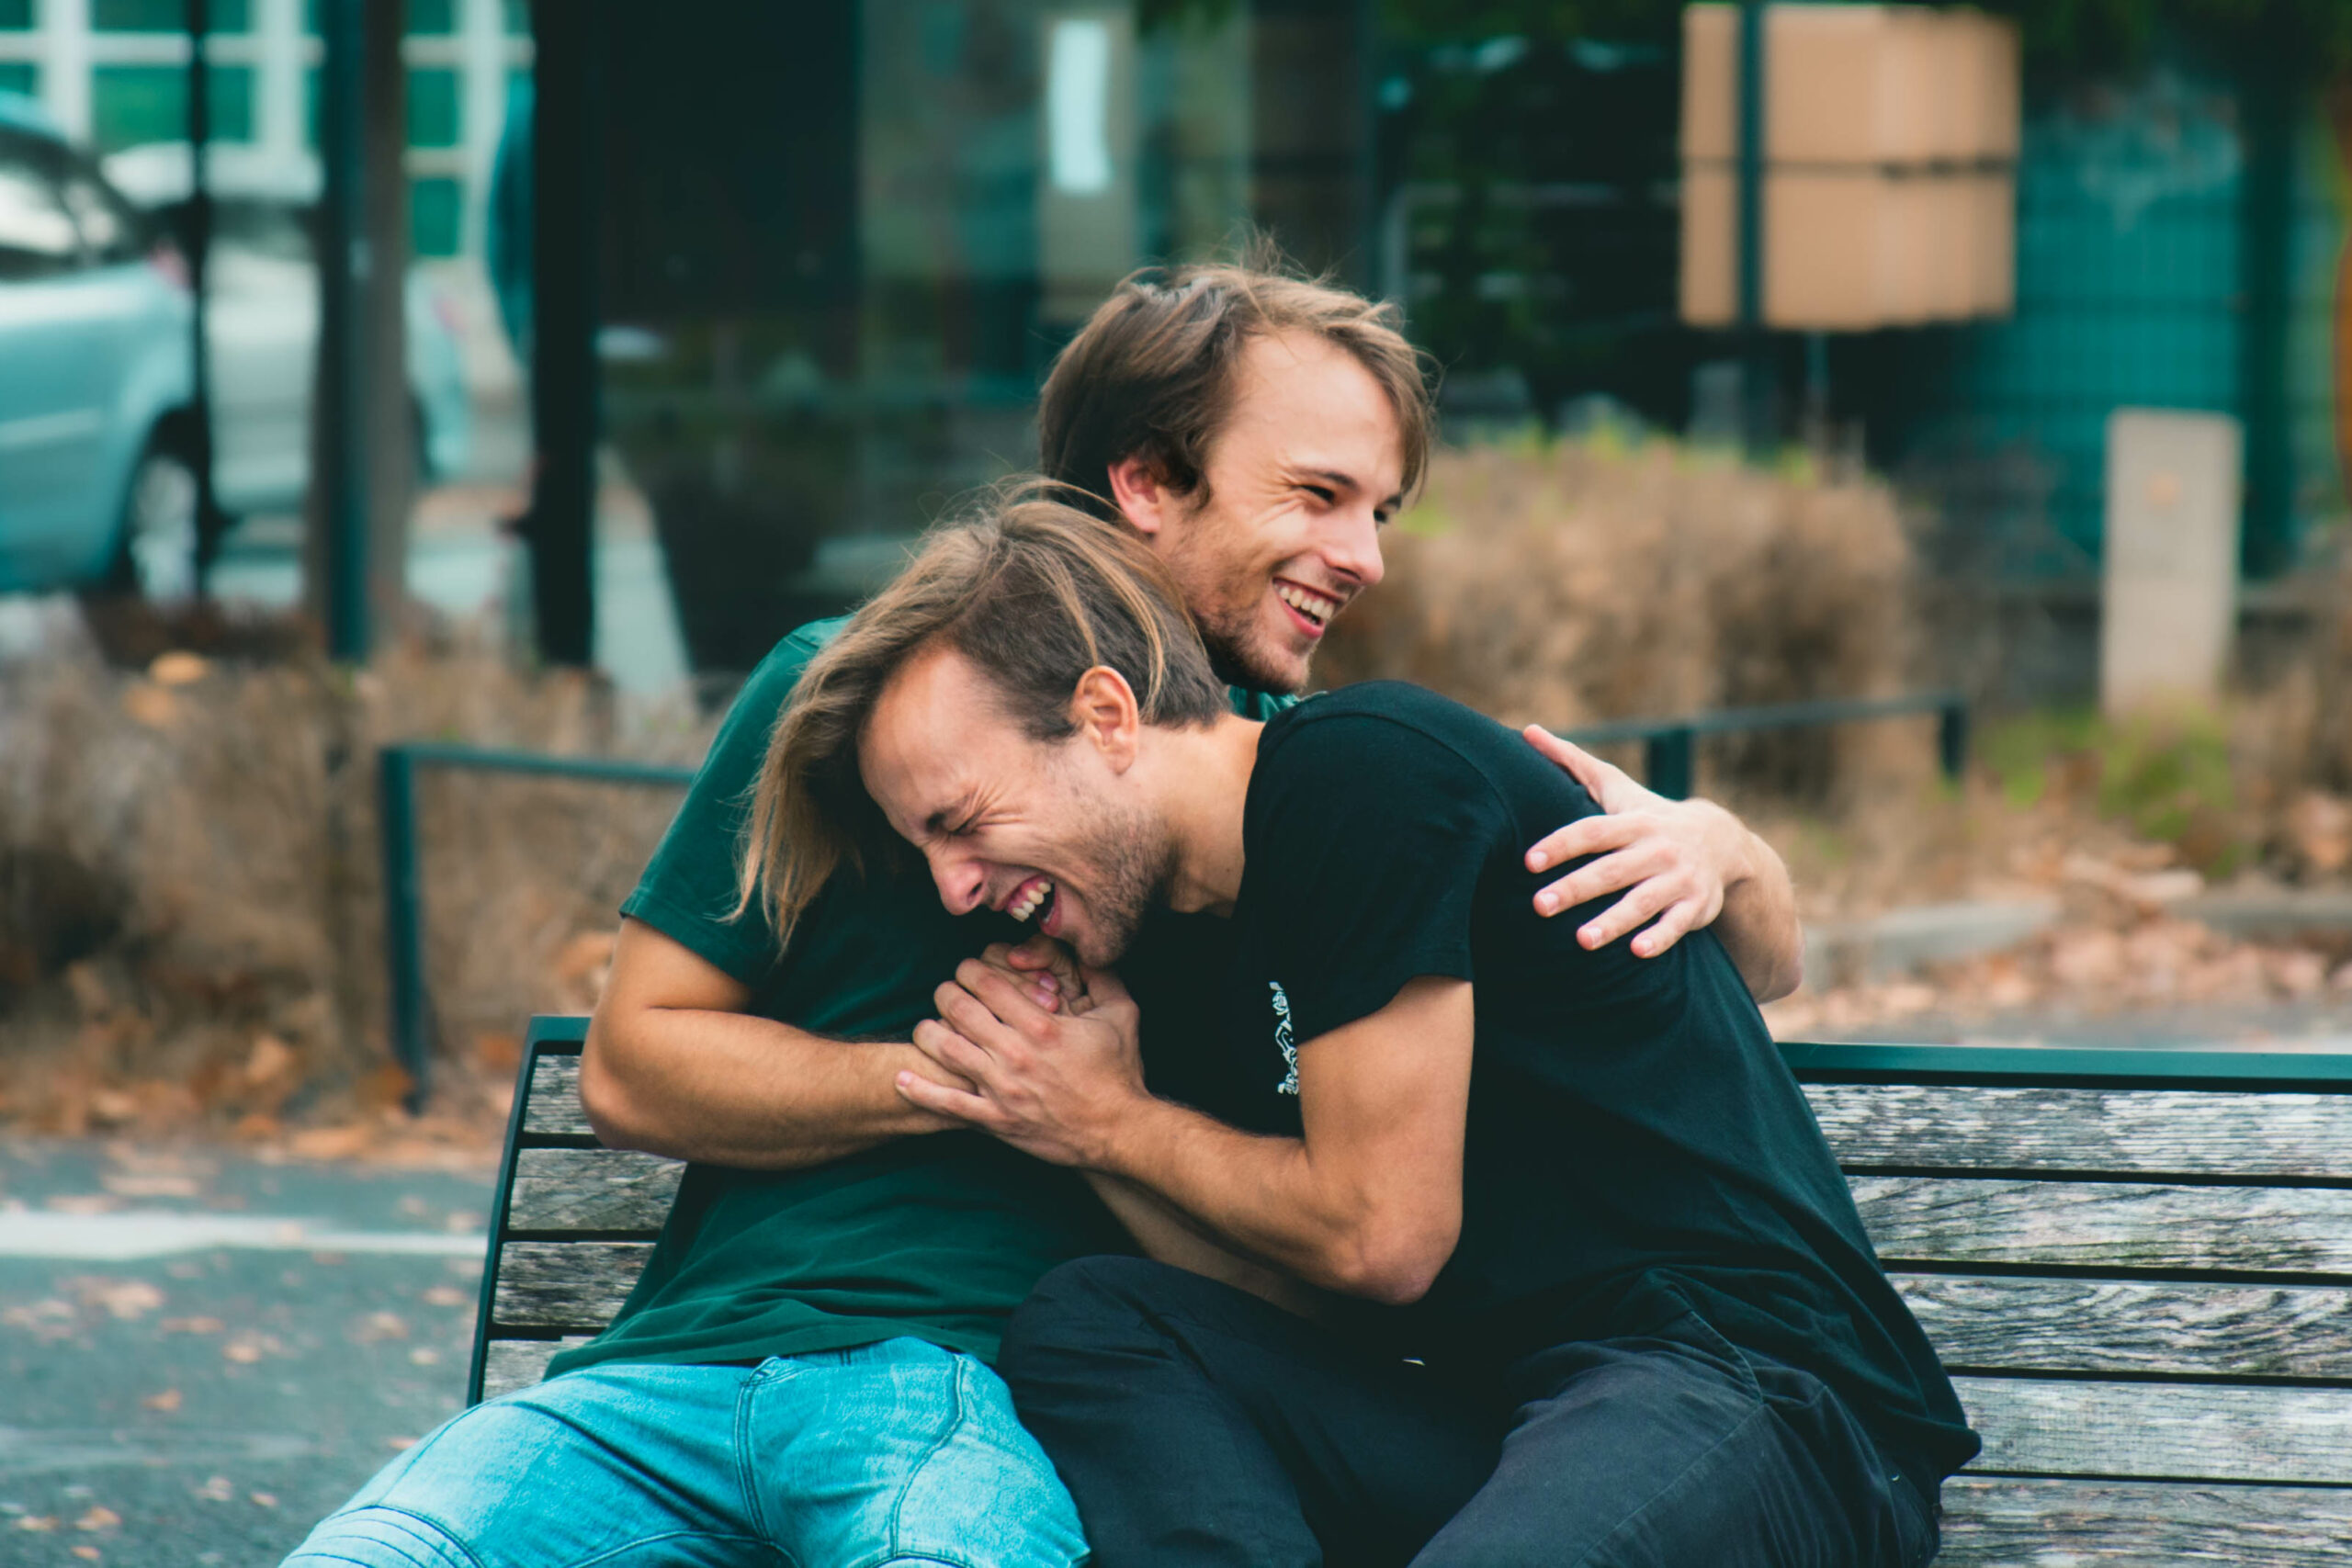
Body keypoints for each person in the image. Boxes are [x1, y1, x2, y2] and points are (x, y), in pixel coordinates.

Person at [284, 264, 1806, 1566]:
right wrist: (987, 1080)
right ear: (1148, 485)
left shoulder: (1309, 791)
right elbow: (631, 1067)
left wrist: (1728, 854)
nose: (1364, 555)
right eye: (1317, 496)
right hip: (702, 1364)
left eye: (1379, 508)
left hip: (999, 1384)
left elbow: (1422, 1172)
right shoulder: (865, 699)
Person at [752, 495, 1978, 1566]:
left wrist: (1108, 1121)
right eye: (927, 852)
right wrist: (1085, 1133)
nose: (955, 889)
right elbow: (1328, 1305)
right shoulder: (1167, 950)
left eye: (961, 822)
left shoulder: (1361, 779)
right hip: (1510, 1421)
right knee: (1095, 1321)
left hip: (1762, 1395)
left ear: (1107, 715)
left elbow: (1384, 1237)